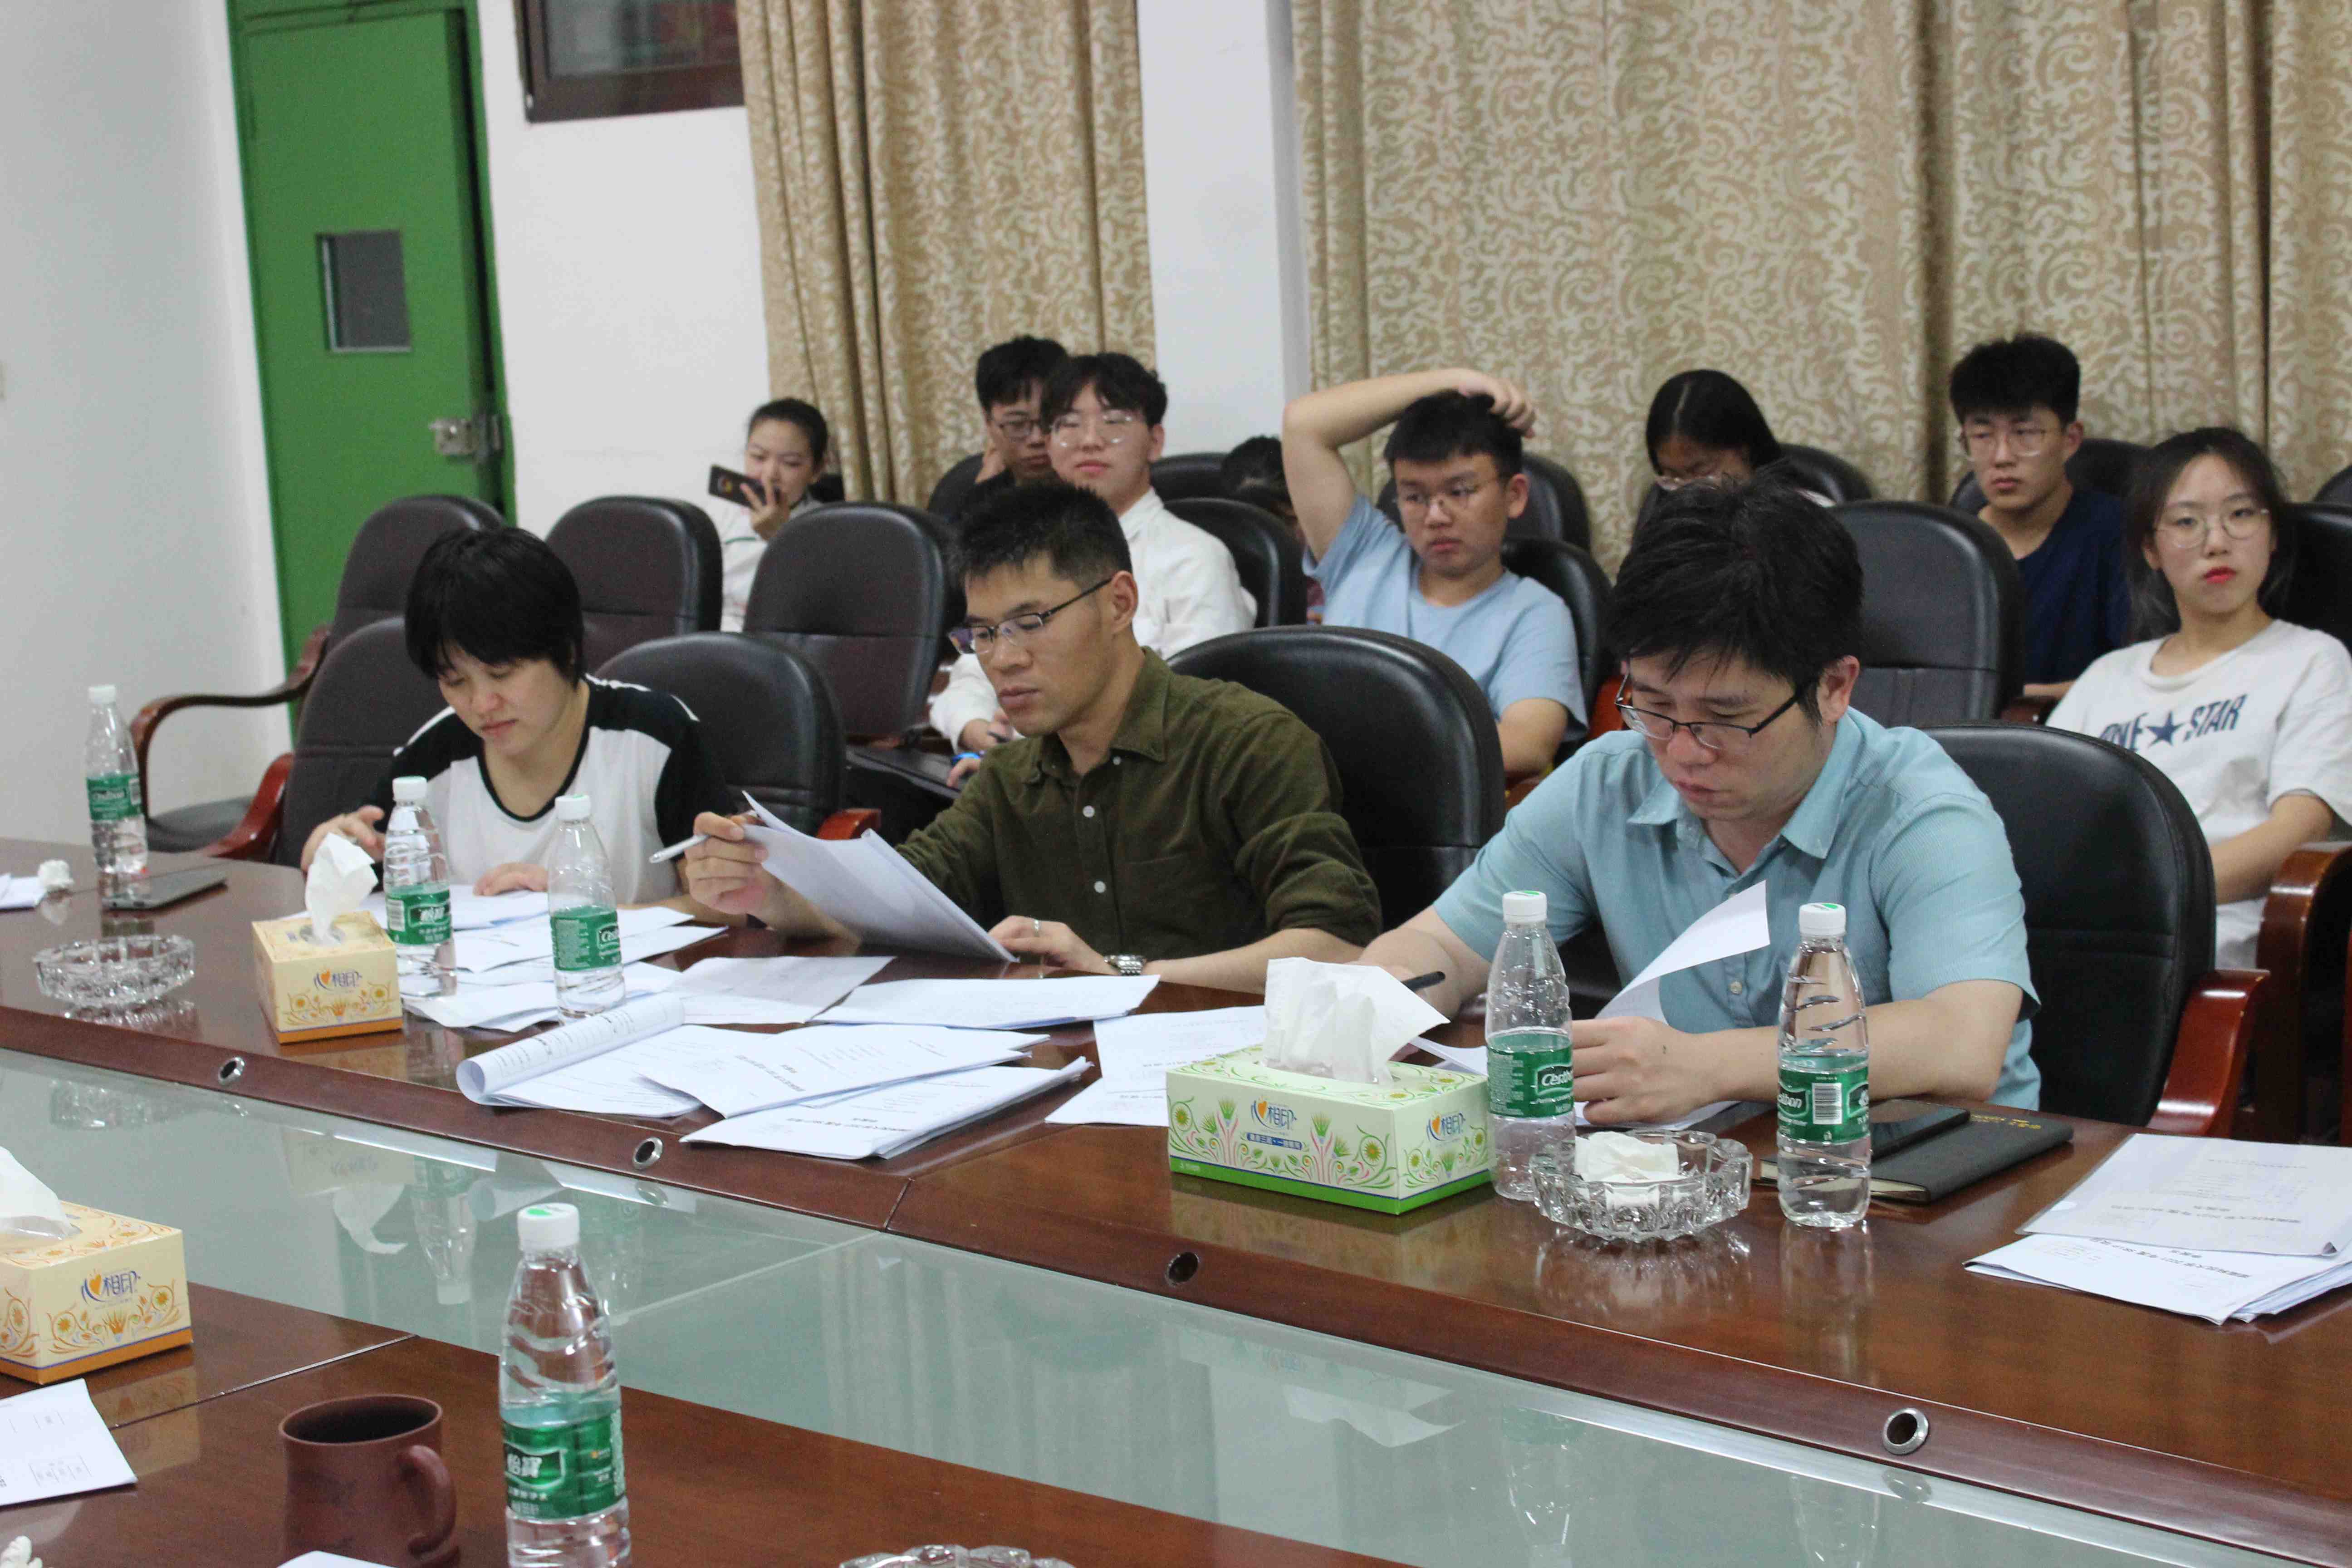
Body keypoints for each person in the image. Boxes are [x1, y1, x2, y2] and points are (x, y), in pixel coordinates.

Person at [1358, 478, 2040, 1120]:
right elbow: (1441, 943)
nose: (1683, 751)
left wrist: (1706, 1066)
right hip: (1702, 1169)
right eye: (1654, 707)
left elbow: (1961, 1043)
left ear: (1834, 687)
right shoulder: (1607, 784)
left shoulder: (1921, 811)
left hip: (1923, 1173)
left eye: (1725, 718)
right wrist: (1374, 999)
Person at [684, 482, 1381, 990]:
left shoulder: (1247, 743)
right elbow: (886, 908)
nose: (1003, 658)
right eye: (983, 633)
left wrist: (1126, 975)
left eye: (1030, 623)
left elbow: (1339, 945)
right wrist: (766, 891)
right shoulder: (1011, 778)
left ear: (1119, 603)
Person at [301, 529, 738, 908]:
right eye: (455, 681)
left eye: (502, 674)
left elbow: (729, 909)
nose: (481, 704)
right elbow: (368, 891)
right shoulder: (432, 759)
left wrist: (581, 914)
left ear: (566, 650)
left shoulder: (655, 736)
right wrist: (332, 855)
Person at [2050, 428, 2352, 970]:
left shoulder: (2313, 662)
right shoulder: (2106, 678)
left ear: (2273, 533)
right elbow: (2049, 820)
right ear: (2151, 549)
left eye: (2241, 515)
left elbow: (2299, 830)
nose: (2217, 542)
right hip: (2087, 927)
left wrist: (2152, 899)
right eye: (2187, 522)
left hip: (2213, 929)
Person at [930, 352, 1255, 781]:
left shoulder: (1196, 557)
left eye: (1114, 421)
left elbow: (1193, 703)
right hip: (1013, 772)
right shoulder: (1017, 554)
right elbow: (971, 673)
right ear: (1049, 444)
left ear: (1155, 441)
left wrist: (1025, 751)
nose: (1089, 440)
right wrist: (979, 733)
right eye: (1067, 424)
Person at [1282, 369, 1585, 779]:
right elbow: (1304, 425)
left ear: (1514, 495)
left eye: (1459, 491)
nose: (1436, 516)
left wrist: (1363, 748)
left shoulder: (1536, 613)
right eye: (1415, 496)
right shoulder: (1363, 555)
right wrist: (1456, 379)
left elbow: (1527, 745)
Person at [1950, 334, 2130, 698]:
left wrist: (2022, 702)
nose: (2002, 456)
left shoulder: (2118, 533)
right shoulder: (1949, 546)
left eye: (2025, 433)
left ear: (2070, 439)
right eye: (1982, 435)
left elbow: (2140, 674)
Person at [716, 397, 829, 632]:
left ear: (817, 470)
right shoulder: (722, 513)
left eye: (791, 463)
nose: (769, 475)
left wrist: (779, 537)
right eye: (758, 457)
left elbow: (822, 608)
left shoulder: (828, 525)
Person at [952, 335, 1067, 523]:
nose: (1037, 439)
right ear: (988, 421)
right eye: (1017, 424)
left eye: (1049, 421)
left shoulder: (1098, 494)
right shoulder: (979, 504)